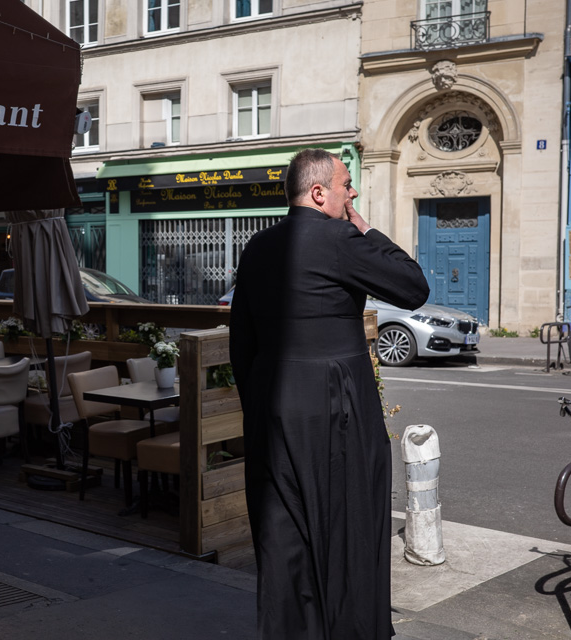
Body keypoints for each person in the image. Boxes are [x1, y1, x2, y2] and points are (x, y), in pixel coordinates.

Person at [229, 148, 429, 639]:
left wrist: (256, 407)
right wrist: (367, 230)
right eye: (346, 185)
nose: (352, 192)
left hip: (272, 404)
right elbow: (412, 286)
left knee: (283, 531)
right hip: (336, 405)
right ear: (319, 192)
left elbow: (242, 342)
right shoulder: (341, 238)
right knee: (348, 524)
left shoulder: (257, 246)